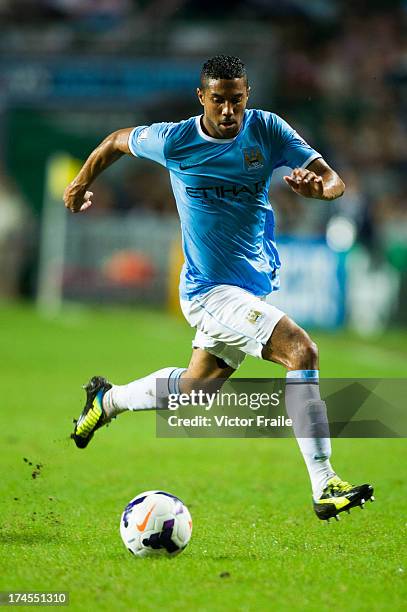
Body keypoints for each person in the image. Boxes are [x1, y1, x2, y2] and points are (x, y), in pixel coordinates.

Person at [63, 55, 374, 521]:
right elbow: (114, 142)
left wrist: (320, 190)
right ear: (201, 98)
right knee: (300, 351)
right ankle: (325, 482)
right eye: (219, 101)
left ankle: (106, 401)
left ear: (247, 96)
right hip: (209, 291)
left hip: (251, 288)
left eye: (237, 100)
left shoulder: (266, 129)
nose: (229, 112)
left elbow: (333, 180)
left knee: (195, 390)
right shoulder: (175, 139)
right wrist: (80, 182)